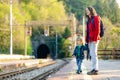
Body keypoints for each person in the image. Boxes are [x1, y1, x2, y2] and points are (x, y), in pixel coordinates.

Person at [85, 6, 100, 75]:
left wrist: (95, 39)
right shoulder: (89, 19)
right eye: (86, 11)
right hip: (90, 39)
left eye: (87, 10)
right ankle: (94, 68)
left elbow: (97, 29)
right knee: (92, 54)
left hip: (94, 39)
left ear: (91, 11)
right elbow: (87, 31)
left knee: (94, 54)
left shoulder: (96, 18)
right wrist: (86, 39)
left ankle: (95, 69)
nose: (86, 12)